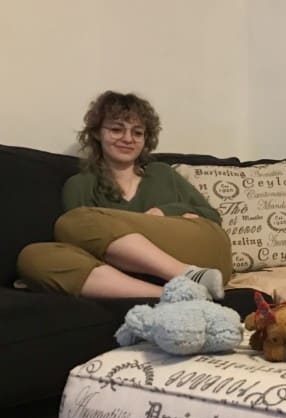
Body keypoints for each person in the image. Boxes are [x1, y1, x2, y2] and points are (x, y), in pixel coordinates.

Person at [17, 91, 232, 299]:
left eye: (137, 133)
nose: (128, 138)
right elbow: (79, 245)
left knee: (73, 221)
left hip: (202, 257)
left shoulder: (163, 173)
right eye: (117, 130)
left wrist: (166, 212)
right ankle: (175, 295)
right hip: (124, 275)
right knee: (34, 256)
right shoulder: (81, 185)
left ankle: (190, 274)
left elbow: (212, 216)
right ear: (96, 133)